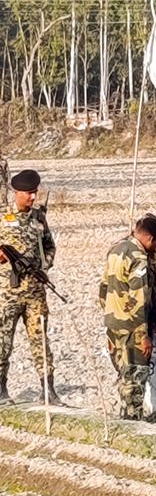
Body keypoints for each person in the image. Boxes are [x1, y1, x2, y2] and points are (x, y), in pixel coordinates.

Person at [0, 169, 62, 406]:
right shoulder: (3, 216)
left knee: (41, 340)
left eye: (35, 193)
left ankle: (48, 389)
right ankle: (1, 389)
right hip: (8, 292)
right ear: (17, 193)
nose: (33, 198)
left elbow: (50, 247)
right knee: (3, 341)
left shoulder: (38, 218)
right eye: (28, 193)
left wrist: (42, 266)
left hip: (36, 292)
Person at [99, 215, 156, 419]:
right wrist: (143, 335)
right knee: (136, 374)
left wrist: (111, 313)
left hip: (113, 322)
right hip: (132, 326)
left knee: (123, 372)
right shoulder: (139, 257)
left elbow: (103, 288)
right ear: (150, 239)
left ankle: (125, 414)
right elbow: (140, 299)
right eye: (155, 244)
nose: (155, 249)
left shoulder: (116, 249)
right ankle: (132, 418)